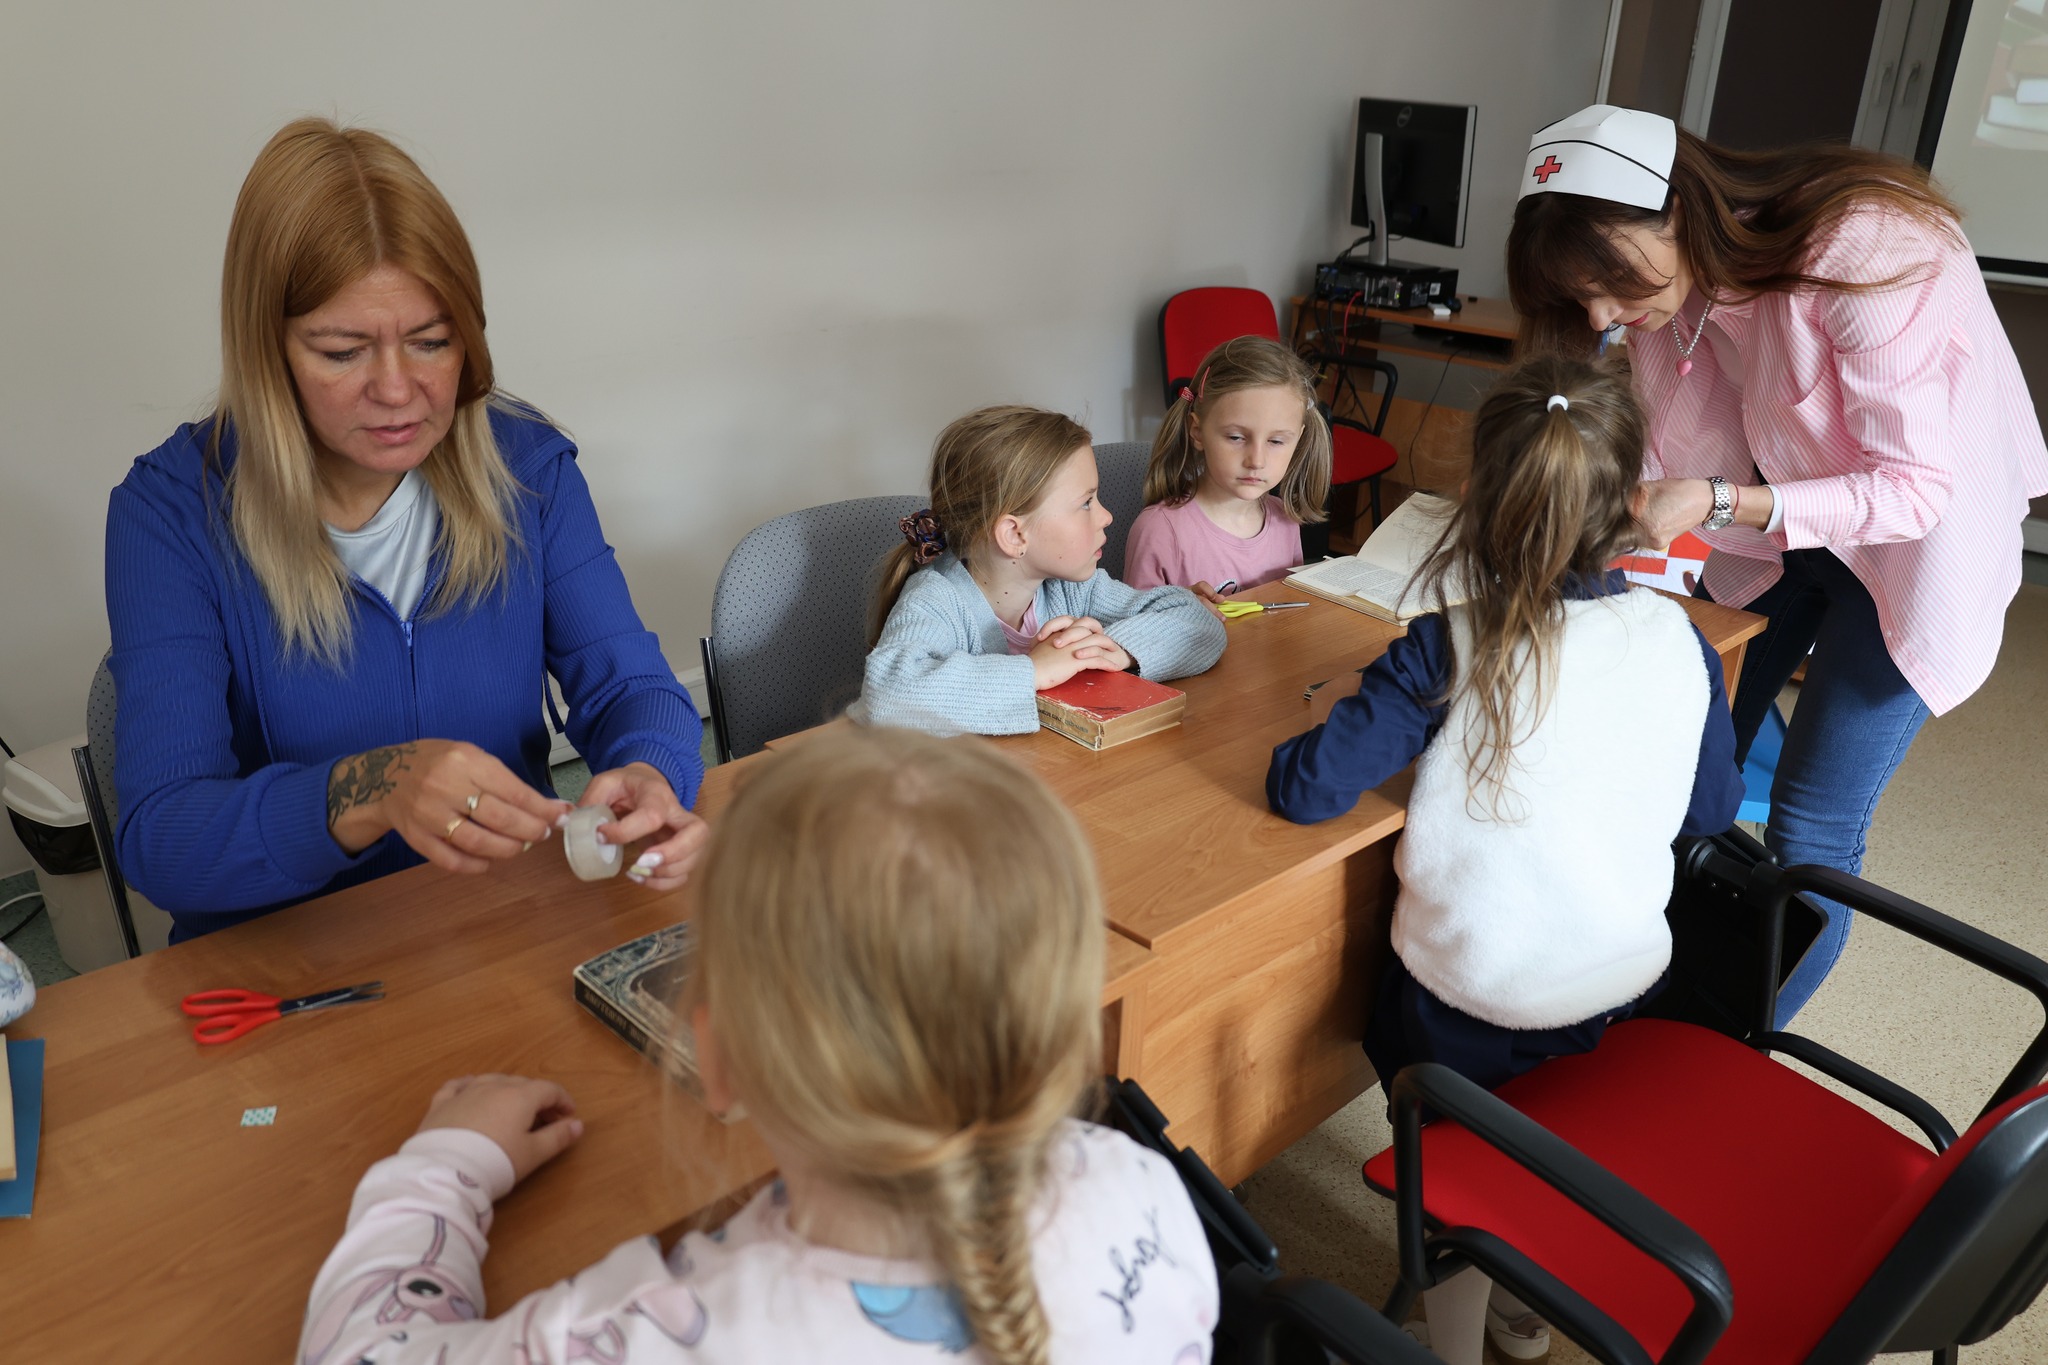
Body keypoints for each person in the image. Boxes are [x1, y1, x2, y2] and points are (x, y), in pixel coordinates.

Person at [295, 725, 1219, 1365]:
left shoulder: (661, 1328)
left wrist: (445, 1163)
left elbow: (362, 1349)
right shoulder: (1141, 1186)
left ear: (719, 1058)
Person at [1507, 103, 2048, 1022]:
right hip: (1780, 526)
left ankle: (1733, 1049)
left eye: (1606, 281)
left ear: (1674, 208)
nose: (1600, 313)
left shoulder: (1865, 248)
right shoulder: (1658, 292)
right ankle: (1653, 993)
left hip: (1915, 543)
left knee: (1810, 831)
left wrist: (1715, 503)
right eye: (1576, 295)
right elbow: (1658, 438)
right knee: (1686, 770)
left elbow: (1913, 489)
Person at [104, 119, 706, 941]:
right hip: (291, 973)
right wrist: (370, 787)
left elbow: (632, 688)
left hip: (498, 929)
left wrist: (649, 771)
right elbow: (162, 836)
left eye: (431, 341)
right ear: (266, 349)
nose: (398, 391)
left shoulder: (528, 468)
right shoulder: (170, 513)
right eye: (343, 350)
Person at [1266, 357, 1744, 1364]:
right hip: (1620, 983)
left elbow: (1305, 791)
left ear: (1476, 501)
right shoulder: (1677, 638)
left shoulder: (1445, 648)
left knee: (1394, 1024)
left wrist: (1324, 716)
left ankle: (1451, 1324)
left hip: (1467, 1006)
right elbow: (1703, 812)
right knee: (1541, 1110)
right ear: (1629, 505)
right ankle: (1528, 1299)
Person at [862, 405, 1227, 734]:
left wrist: (1116, 649)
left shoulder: (1071, 589)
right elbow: (888, 696)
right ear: (1014, 534)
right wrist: (1035, 671)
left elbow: (1197, 622)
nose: (1106, 516)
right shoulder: (936, 600)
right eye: (1086, 503)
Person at [1123, 336, 1332, 599]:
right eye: (1236, 438)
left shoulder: (1285, 520)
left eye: (1276, 441)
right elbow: (1134, 634)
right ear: (1197, 432)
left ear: (1297, 439)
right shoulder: (1160, 530)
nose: (1256, 460)